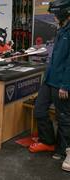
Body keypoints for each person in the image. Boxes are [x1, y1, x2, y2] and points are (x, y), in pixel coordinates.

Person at [28, 0, 70, 172]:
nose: (53, 16)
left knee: (63, 117)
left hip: (61, 82)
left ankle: (63, 150)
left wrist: (66, 85)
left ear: (63, 12)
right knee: (39, 109)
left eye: (54, 13)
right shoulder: (62, 28)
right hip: (49, 79)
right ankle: (48, 141)